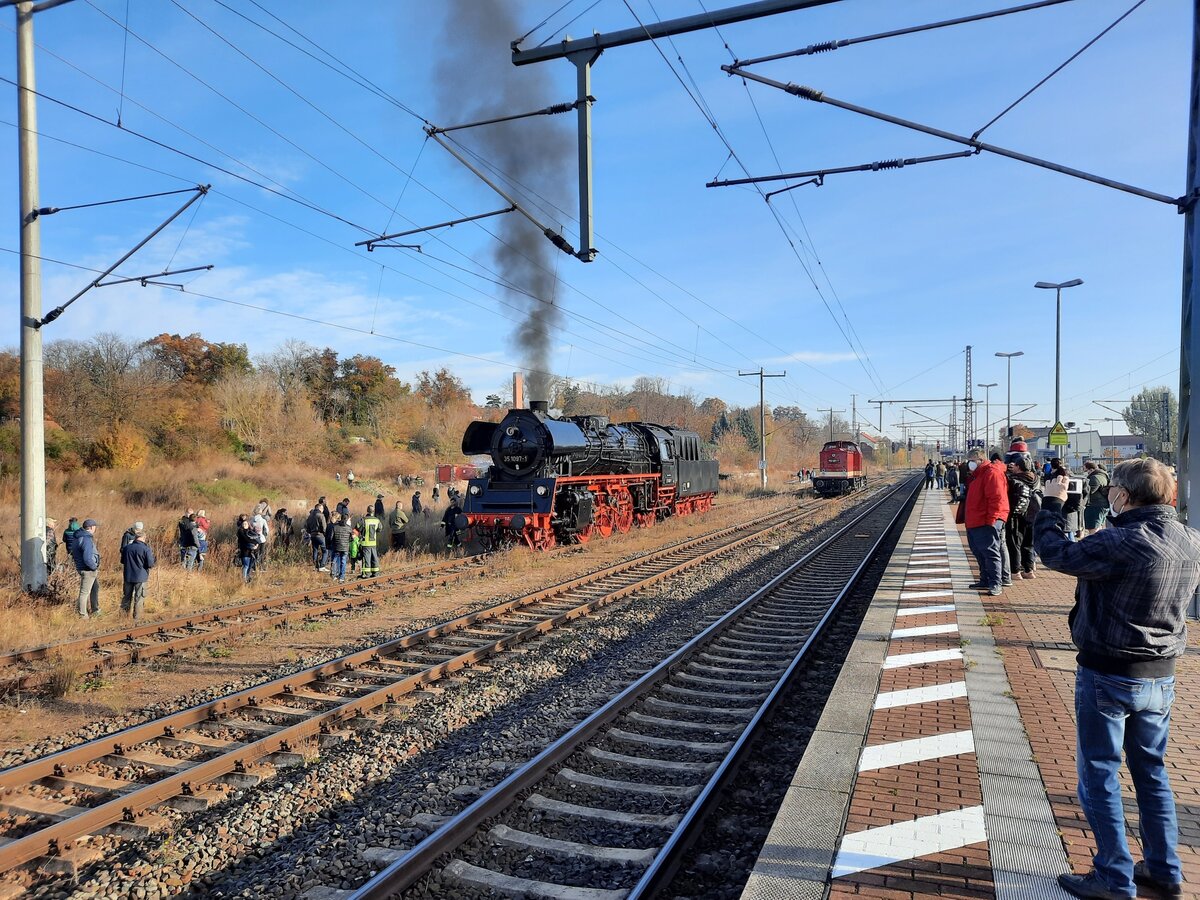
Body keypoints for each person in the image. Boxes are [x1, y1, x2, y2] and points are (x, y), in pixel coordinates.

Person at [1034, 458, 1199, 900]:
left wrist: (1051, 504)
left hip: (1108, 674)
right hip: (1161, 679)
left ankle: (1113, 875)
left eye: (1112, 493)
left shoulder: (1121, 540)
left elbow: (1053, 553)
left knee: (1099, 775)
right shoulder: (1191, 540)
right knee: (1152, 774)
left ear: (1123, 495)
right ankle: (1164, 869)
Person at [963, 448, 1010, 596]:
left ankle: (996, 583)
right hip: (975, 521)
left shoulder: (991, 473)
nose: (969, 464)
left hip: (986, 521)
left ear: (980, 460)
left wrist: (992, 520)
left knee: (990, 552)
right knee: (979, 552)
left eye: (971, 461)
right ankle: (985, 579)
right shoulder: (978, 474)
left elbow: (997, 499)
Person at [1004, 450, 1039, 580]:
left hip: (1017, 515)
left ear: (1018, 467)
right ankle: (1029, 571)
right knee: (1029, 544)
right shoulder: (1036, 479)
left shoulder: (1014, 480)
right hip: (1033, 514)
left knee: (1014, 543)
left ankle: (1015, 572)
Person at [119, 529, 155, 620]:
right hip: (141, 576)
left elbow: (122, 561)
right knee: (139, 598)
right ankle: (137, 618)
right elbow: (150, 564)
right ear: (143, 538)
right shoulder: (146, 549)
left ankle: (123, 617)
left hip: (128, 576)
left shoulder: (127, 548)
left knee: (126, 597)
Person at [71, 518, 101, 618]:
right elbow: (87, 558)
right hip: (88, 570)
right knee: (84, 593)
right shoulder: (86, 539)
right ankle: (83, 615)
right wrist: (94, 567)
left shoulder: (77, 537)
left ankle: (95, 609)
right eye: (95, 527)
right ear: (92, 527)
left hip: (81, 568)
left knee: (95, 588)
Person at [1083, 461, 1111, 535]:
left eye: (1086, 471)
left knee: (1093, 529)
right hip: (1103, 505)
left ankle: (1095, 544)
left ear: (1091, 469)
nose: (1086, 473)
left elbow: (1088, 491)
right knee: (1100, 527)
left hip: (1095, 505)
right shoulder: (1103, 475)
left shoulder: (1094, 478)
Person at [360, 505, 382, 578]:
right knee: (374, 557)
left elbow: (357, 529)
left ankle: (366, 573)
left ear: (367, 510)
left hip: (365, 543)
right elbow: (380, 529)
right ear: (373, 511)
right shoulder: (377, 520)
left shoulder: (364, 520)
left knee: (366, 558)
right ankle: (375, 572)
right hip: (373, 543)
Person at [329, 514, 352, 583]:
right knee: (343, 561)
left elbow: (331, 537)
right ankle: (342, 577)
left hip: (336, 546)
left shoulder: (335, 527)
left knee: (334, 560)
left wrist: (333, 543)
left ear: (341, 518)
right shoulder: (349, 528)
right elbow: (352, 538)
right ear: (347, 519)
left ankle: (334, 575)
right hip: (345, 547)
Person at [306, 502, 329, 571]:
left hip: (312, 535)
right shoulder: (321, 515)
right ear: (320, 508)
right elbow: (324, 527)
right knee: (325, 551)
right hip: (320, 535)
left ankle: (315, 566)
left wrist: (311, 533)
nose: (323, 510)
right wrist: (325, 534)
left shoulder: (310, 516)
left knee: (315, 550)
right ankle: (322, 566)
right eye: (322, 509)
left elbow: (308, 527)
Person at [236, 515, 257, 583]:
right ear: (242, 525)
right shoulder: (241, 531)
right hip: (244, 550)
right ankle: (244, 579)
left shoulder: (249, 531)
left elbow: (256, 538)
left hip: (250, 551)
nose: (245, 525)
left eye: (246, 524)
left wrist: (256, 544)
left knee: (250, 565)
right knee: (246, 565)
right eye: (244, 524)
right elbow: (246, 539)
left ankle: (247, 577)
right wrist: (254, 543)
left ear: (248, 524)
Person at [251, 507, 270, 572]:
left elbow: (250, 528)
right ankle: (261, 567)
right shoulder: (263, 520)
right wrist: (265, 535)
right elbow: (267, 530)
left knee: (255, 553)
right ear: (260, 512)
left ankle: (254, 567)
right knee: (262, 553)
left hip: (254, 539)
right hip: (262, 539)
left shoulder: (252, 519)